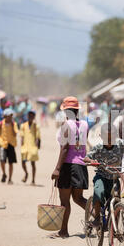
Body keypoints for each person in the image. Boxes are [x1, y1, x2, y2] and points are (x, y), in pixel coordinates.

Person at [84, 123, 124, 226]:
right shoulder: (98, 148)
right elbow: (86, 157)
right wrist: (91, 161)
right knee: (98, 193)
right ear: (101, 136)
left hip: (114, 178)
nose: (109, 141)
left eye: (112, 138)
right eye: (107, 138)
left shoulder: (120, 144)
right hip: (101, 176)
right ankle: (96, 218)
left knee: (117, 200)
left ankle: (114, 228)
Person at [51, 96, 88, 238]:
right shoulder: (84, 124)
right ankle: (98, 216)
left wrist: (57, 169)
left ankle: (63, 231)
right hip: (81, 165)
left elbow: (65, 148)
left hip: (68, 165)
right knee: (79, 199)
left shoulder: (66, 125)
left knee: (65, 201)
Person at [0, 108, 19, 185]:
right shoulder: (0, 124)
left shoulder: (14, 124)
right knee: (2, 160)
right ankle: (4, 173)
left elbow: (15, 134)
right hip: (2, 144)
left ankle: (10, 179)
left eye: (11, 116)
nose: (10, 117)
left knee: (11, 163)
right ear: (5, 116)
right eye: (9, 116)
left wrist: (12, 126)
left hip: (11, 144)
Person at [20, 110, 40, 185]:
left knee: (33, 164)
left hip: (32, 146)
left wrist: (37, 145)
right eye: (29, 115)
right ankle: (26, 173)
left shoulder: (36, 126)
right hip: (25, 146)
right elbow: (21, 136)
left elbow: (38, 137)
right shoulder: (23, 125)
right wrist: (21, 143)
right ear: (27, 116)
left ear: (34, 117)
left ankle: (33, 180)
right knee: (23, 162)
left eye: (32, 116)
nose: (30, 117)